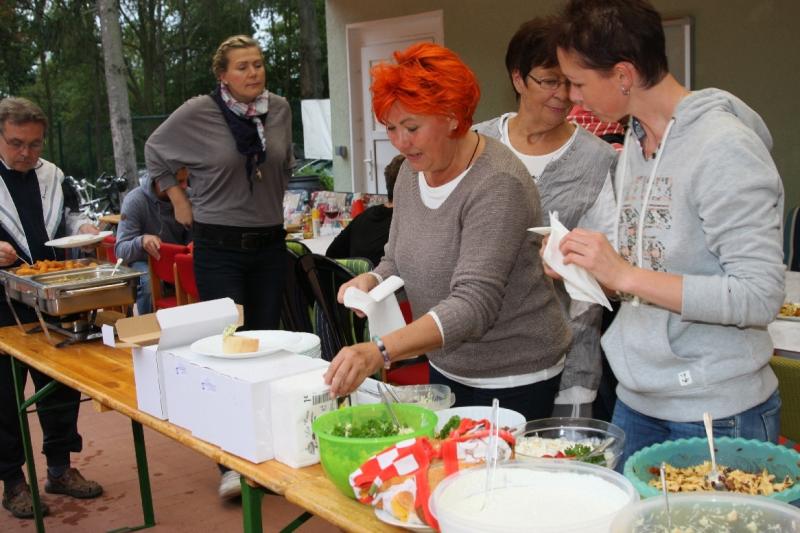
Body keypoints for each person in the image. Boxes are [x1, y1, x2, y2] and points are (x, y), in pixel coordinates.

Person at [553, 0, 785, 468]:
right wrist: (582, 268)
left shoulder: (724, 147)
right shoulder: (635, 143)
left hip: (716, 409)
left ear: (623, 75)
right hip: (638, 399)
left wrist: (624, 274)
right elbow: (646, 271)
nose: (572, 99)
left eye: (578, 82)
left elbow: (759, 296)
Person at [324, 43, 571, 421]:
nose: (400, 142)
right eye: (391, 128)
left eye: (412, 128)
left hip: (512, 375)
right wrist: (373, 280)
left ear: (453, 117)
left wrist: (381, 350)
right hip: (447, 364)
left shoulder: (497, 183)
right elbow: (397, 259)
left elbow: (473, 305)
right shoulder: (412, 172)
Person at [145, 34, 294, 500]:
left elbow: (284, 165)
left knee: (268, 347)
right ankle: (229, 462)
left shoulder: (279, 109)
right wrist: (178, 197)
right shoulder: (199, 112)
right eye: (242, 66)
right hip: (219, 246)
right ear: (223, 75)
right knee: (229, 351)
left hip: (270, 245)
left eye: (258, 64)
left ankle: (266, 453)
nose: (253, 73)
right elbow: (155, 150)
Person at [474, 18, 617, 418]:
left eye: (570, 82)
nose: (563, 95)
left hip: (570, 355)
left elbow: (612, 263)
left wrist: (569, 259)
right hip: (482, 356)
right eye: (550, 81)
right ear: (518, 78)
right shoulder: (477, 145)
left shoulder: (596, 159)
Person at [0, 97, 103, 519]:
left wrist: (85, 229)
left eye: (35, 144)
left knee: (60, 386)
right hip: (2, 304)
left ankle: (60, 468)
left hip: (52, 293)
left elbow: (73, 217)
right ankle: (12, 482)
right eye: (16, 143)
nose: (26, 153)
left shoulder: (54, 175)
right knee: (4, 396)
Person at [115, 168, 192, 314]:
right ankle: (147, 324)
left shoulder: (189, 196)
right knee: (147, 283)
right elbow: (120, 251)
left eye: (186, 180)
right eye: (179, 182)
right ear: (161, 181)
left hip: (178, 261)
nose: (185, 186)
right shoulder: (135, 200)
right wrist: (141, 241)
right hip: (146, 262)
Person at [325, 155, 403, 266]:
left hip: (357, 277)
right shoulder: (408, 222)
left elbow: (331, 254)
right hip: (384, 276)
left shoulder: (365, 216)